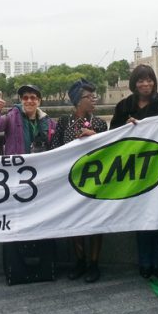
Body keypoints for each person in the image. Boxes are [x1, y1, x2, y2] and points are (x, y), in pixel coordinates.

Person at [110, 64, 158, 279]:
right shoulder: (124, 106)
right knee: (141, 215)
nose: (145, 84)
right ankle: (145, 262)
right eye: (140, 80)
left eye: (149, 79)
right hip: (135, 171)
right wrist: (127, 127)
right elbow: (113, 135)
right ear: (134, 83)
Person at [51, 79, 108, 283]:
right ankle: (80, 261)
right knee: (74, 221)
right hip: (70, 182)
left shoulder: (100, 123)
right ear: (77, 101)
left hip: (95, 182)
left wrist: (95, 137)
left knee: (96, 222)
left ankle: (94, 263)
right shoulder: (64, 122)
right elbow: (54, 151)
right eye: (89, 97)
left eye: (95, 96)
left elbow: (109, 152)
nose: (94, 100)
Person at [0, 84, 56, 155]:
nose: (29, 101)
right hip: (18, 164)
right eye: (25, 98)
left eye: (33, 98)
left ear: (38, 101)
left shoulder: (49, 122)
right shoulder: (11, 117)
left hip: (40, 164)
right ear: (21, 100)